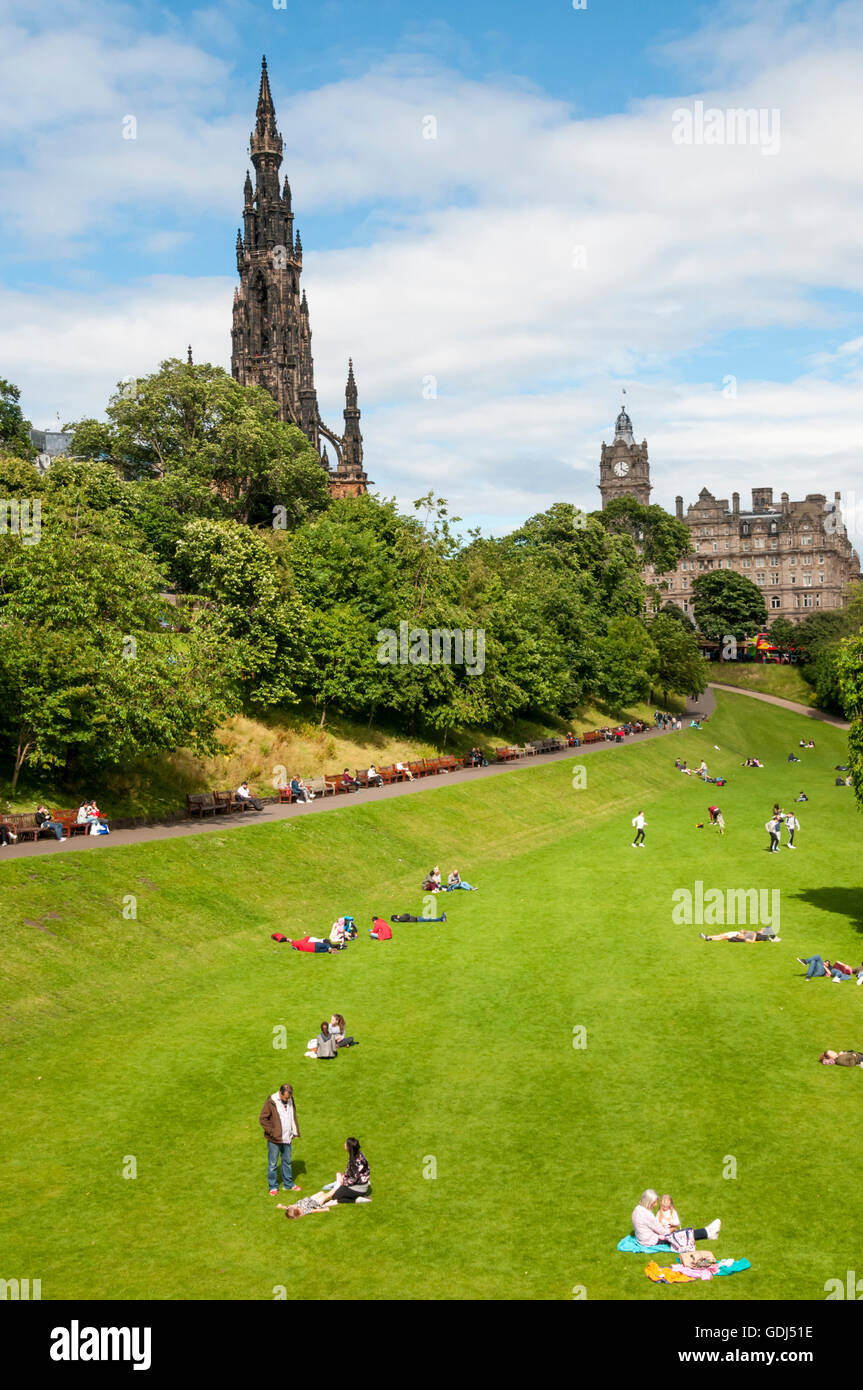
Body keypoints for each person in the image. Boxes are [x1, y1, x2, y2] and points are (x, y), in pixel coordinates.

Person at [631, 1190, 720, 1250]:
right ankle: (708, 1232)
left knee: (679, 1234)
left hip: (642, 1239)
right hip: (651, 1241)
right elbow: (663, 1232)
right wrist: (672, 1229)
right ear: (648, 1202)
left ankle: (708, 1233)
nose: (655, 1205)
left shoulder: (637, 1209)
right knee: (682, 1235)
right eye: (654, 1202)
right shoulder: (647, 1215)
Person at [259, 1084, 302, 1196]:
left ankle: (288, 1184)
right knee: (273, 1164)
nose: (287, 1100)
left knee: (287, 1162)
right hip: (274, 1139)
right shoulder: (271, 1102)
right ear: (280, 1093)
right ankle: (273, 1187)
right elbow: (263, 1118)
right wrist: (272, 1132)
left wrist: (294, 1131)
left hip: (287, 1137)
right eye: (286, 1098)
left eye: (289, 1098)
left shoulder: (290, 1099)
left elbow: (293, 1115)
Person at [323, 1137, 371, 1204]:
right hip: (363, 1184)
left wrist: (343, 1182)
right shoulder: (359, 1154)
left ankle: (357, 1200)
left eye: (346, 1144)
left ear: (349, 1148)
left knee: (335, 1196)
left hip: (358, 1188)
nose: (344, 1144)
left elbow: (354, 1179)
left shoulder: (354, 1162)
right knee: (339, 1176)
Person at [700, 928, 780, 942]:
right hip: (737, 933)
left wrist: (742, 934)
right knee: (722, 935)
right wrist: (744, 931)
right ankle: (708, 937)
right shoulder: (754, 933)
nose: (761, 930)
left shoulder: (755, 935)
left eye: (762, 930)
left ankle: (708, 938)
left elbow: (750, 940)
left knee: (723, 937)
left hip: (737, 935)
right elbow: (747, 934)